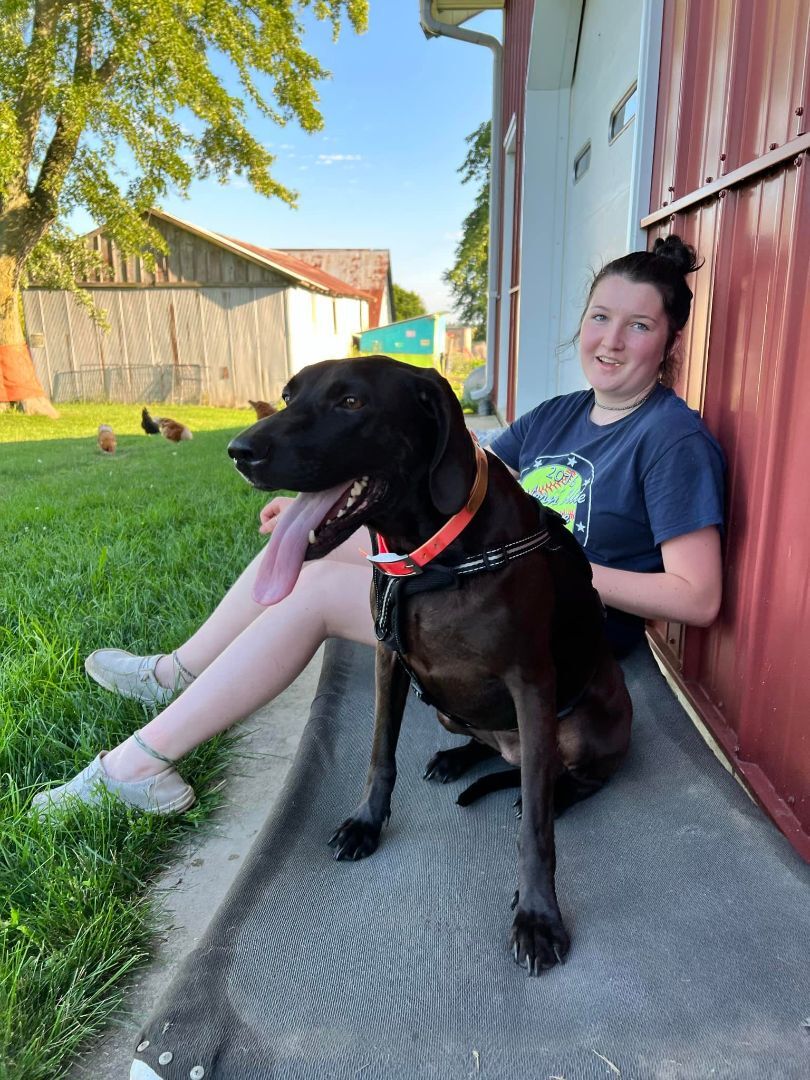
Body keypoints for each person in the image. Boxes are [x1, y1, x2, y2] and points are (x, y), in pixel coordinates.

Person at [33, 235, 724, 816]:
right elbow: (458, 487)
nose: (609, 340)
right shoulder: (560, 414)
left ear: (669, 342)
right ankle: (177, 672)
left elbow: (697, 597)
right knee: (299, 548)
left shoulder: (671, 440)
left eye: (639, 325)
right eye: (600, 316)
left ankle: (136, 767)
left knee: (313, 597)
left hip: (558, 634)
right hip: (476, 585)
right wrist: (323, 506)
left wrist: (551, 557)